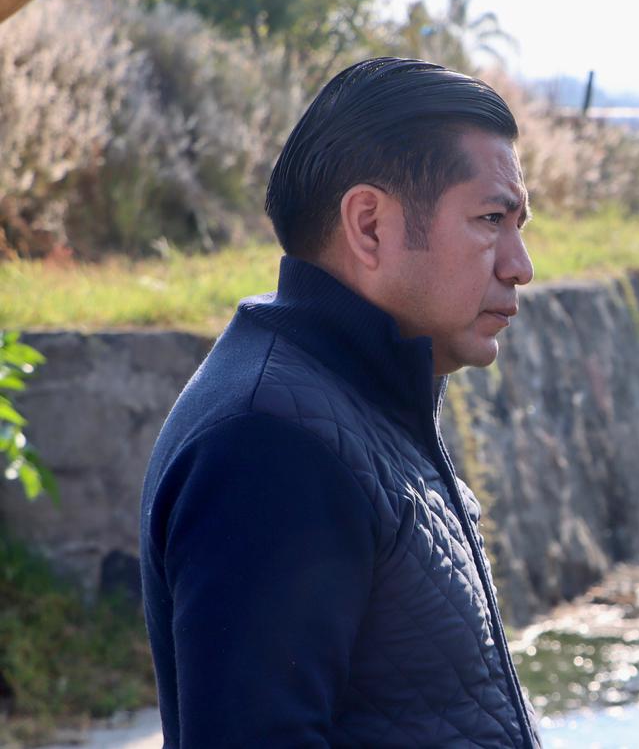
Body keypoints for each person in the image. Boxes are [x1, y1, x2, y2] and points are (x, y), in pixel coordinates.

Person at [140, 58, 540, 747]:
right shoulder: (270, 443)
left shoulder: (360, 399)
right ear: (369, 226)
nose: (519, 265)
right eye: (490, 219)